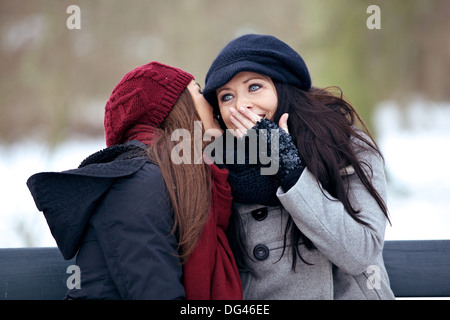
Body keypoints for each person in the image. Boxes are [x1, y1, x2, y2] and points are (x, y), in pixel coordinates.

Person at [27, 61, 242, 300]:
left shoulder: (186, 178)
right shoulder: (140, 183)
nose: (210, 100)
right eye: (198, 91)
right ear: (175, 109)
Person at [202, 34, 395, 299]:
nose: (240, 105)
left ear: (284, 88)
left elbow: (359, 253)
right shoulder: (220, 168)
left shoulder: (344, 146)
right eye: (226, 96)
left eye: (254, 87)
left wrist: (291, 170)